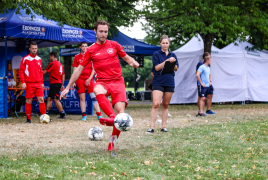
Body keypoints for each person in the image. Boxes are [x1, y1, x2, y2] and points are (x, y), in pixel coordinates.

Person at [60, 20, 139, 150]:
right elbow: (78, 69)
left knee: (121, 113)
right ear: (95, 32)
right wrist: (68, 87)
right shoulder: (90, 50)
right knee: (96, 89)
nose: (103, 34)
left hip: (118, 82)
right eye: (101, 31)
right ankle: (112, 118)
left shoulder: (114, 45)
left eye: (106, 32)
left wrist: (133, 62)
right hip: (103, 82)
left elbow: (126, 57)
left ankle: (112, 142)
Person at [146, 35, 178, 134]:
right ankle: (151, 127)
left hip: (169, 81)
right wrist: (166, 61)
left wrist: (173, 62)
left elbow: (176, 68)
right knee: (156, 104)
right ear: (160, 43)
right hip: (158, 81)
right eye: (163, 43)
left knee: (166, 105)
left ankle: (163, 127)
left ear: (169, 44)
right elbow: (156, 68)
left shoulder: (173, 54)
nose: (165, 45)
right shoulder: (156, 54)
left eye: (166, 43)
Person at [72, 42, 102, 121]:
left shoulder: (91, 56)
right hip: (79, 79)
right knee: (82, 98)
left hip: (89, 79)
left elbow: (94, 68)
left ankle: (99, 115)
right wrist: (73, 81)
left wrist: (89, 78)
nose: (84, 48)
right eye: (83, 46)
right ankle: (84, 115)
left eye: (86, 46)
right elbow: (75, 70)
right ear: (80, 47)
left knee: (94, 97)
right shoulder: (76, 57)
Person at [19, 41, 46, 123]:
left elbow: (41, 72)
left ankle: (43, 118)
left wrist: (42, 82)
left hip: (38, 83)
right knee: (29, 101)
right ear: (30, 49)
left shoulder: (39, 59)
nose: (34, 50)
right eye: (33, 48)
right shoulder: (25, 59)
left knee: (41, 99)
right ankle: (28, 119)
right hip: (29, 83)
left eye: (36, 48)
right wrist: (23, 82)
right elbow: (21, 71)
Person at [43, 51, 66, 119]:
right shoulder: (60, 64)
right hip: (58, 83)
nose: (49, 58)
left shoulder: (52, 63)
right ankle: (46, 114)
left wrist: (35, 74)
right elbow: (63, 74)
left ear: (52, 56)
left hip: (54, 84)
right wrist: (62, 84)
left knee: (56, 99)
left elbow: (44, 72)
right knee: (49, 98)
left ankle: (62, 114)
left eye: (50, 56)